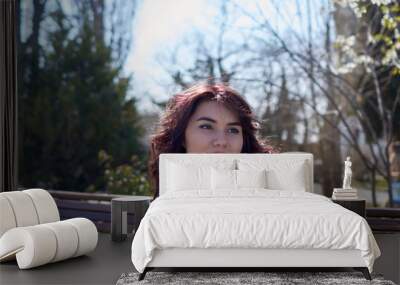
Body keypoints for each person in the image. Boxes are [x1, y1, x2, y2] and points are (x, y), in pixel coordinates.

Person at [148, 82, 275, 199]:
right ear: (181, 136)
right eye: (206, 126)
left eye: (232, 130)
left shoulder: (268, 195)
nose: (222, 141)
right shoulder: (165, 207)